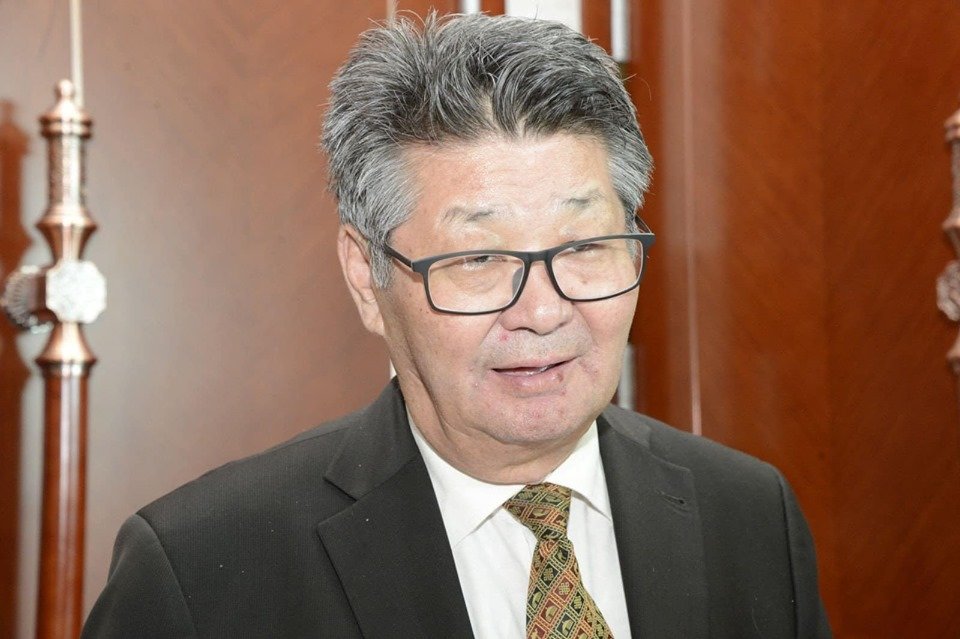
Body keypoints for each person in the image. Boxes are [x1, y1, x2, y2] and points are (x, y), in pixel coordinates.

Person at [82, 11, 831, 639]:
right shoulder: (199, 572)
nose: (543, 312)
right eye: (479, 258)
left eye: (585, 247)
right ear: (367, 275)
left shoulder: (748, 514)